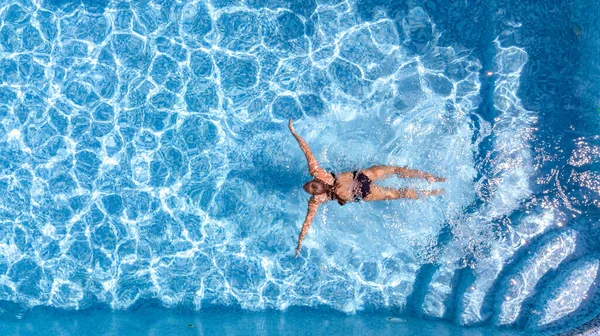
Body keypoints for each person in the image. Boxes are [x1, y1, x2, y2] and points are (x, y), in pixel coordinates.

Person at [289, 118, 446, 257]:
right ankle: (432, 178)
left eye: (306, 187)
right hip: (362, 176)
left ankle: (432, 192)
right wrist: (294, 132)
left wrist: (300, 242)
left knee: (399, 193)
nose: (304, 186)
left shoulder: (316, 200)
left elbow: (307, 223)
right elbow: (307, 150)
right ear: (316, 181)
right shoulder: (319, 173)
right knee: (395, 170)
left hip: (364, 194)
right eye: (307, 186)